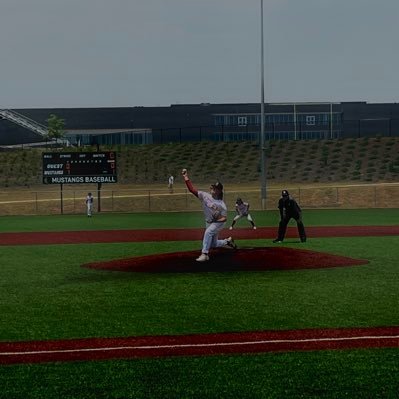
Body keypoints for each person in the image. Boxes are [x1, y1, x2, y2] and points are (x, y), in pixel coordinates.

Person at [181, 168, 237, 262]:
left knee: (208, 232)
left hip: (218, 223)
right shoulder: (204, 195)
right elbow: (191, 190)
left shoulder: (221, 205)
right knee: (213, 244)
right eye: (212, 187)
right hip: (209, 221)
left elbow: (224, 218)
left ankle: (205, 254)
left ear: (219, 191)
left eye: (215, 188)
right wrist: (186, 177)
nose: (212, 188)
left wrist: (214, 221)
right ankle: (227, 241)